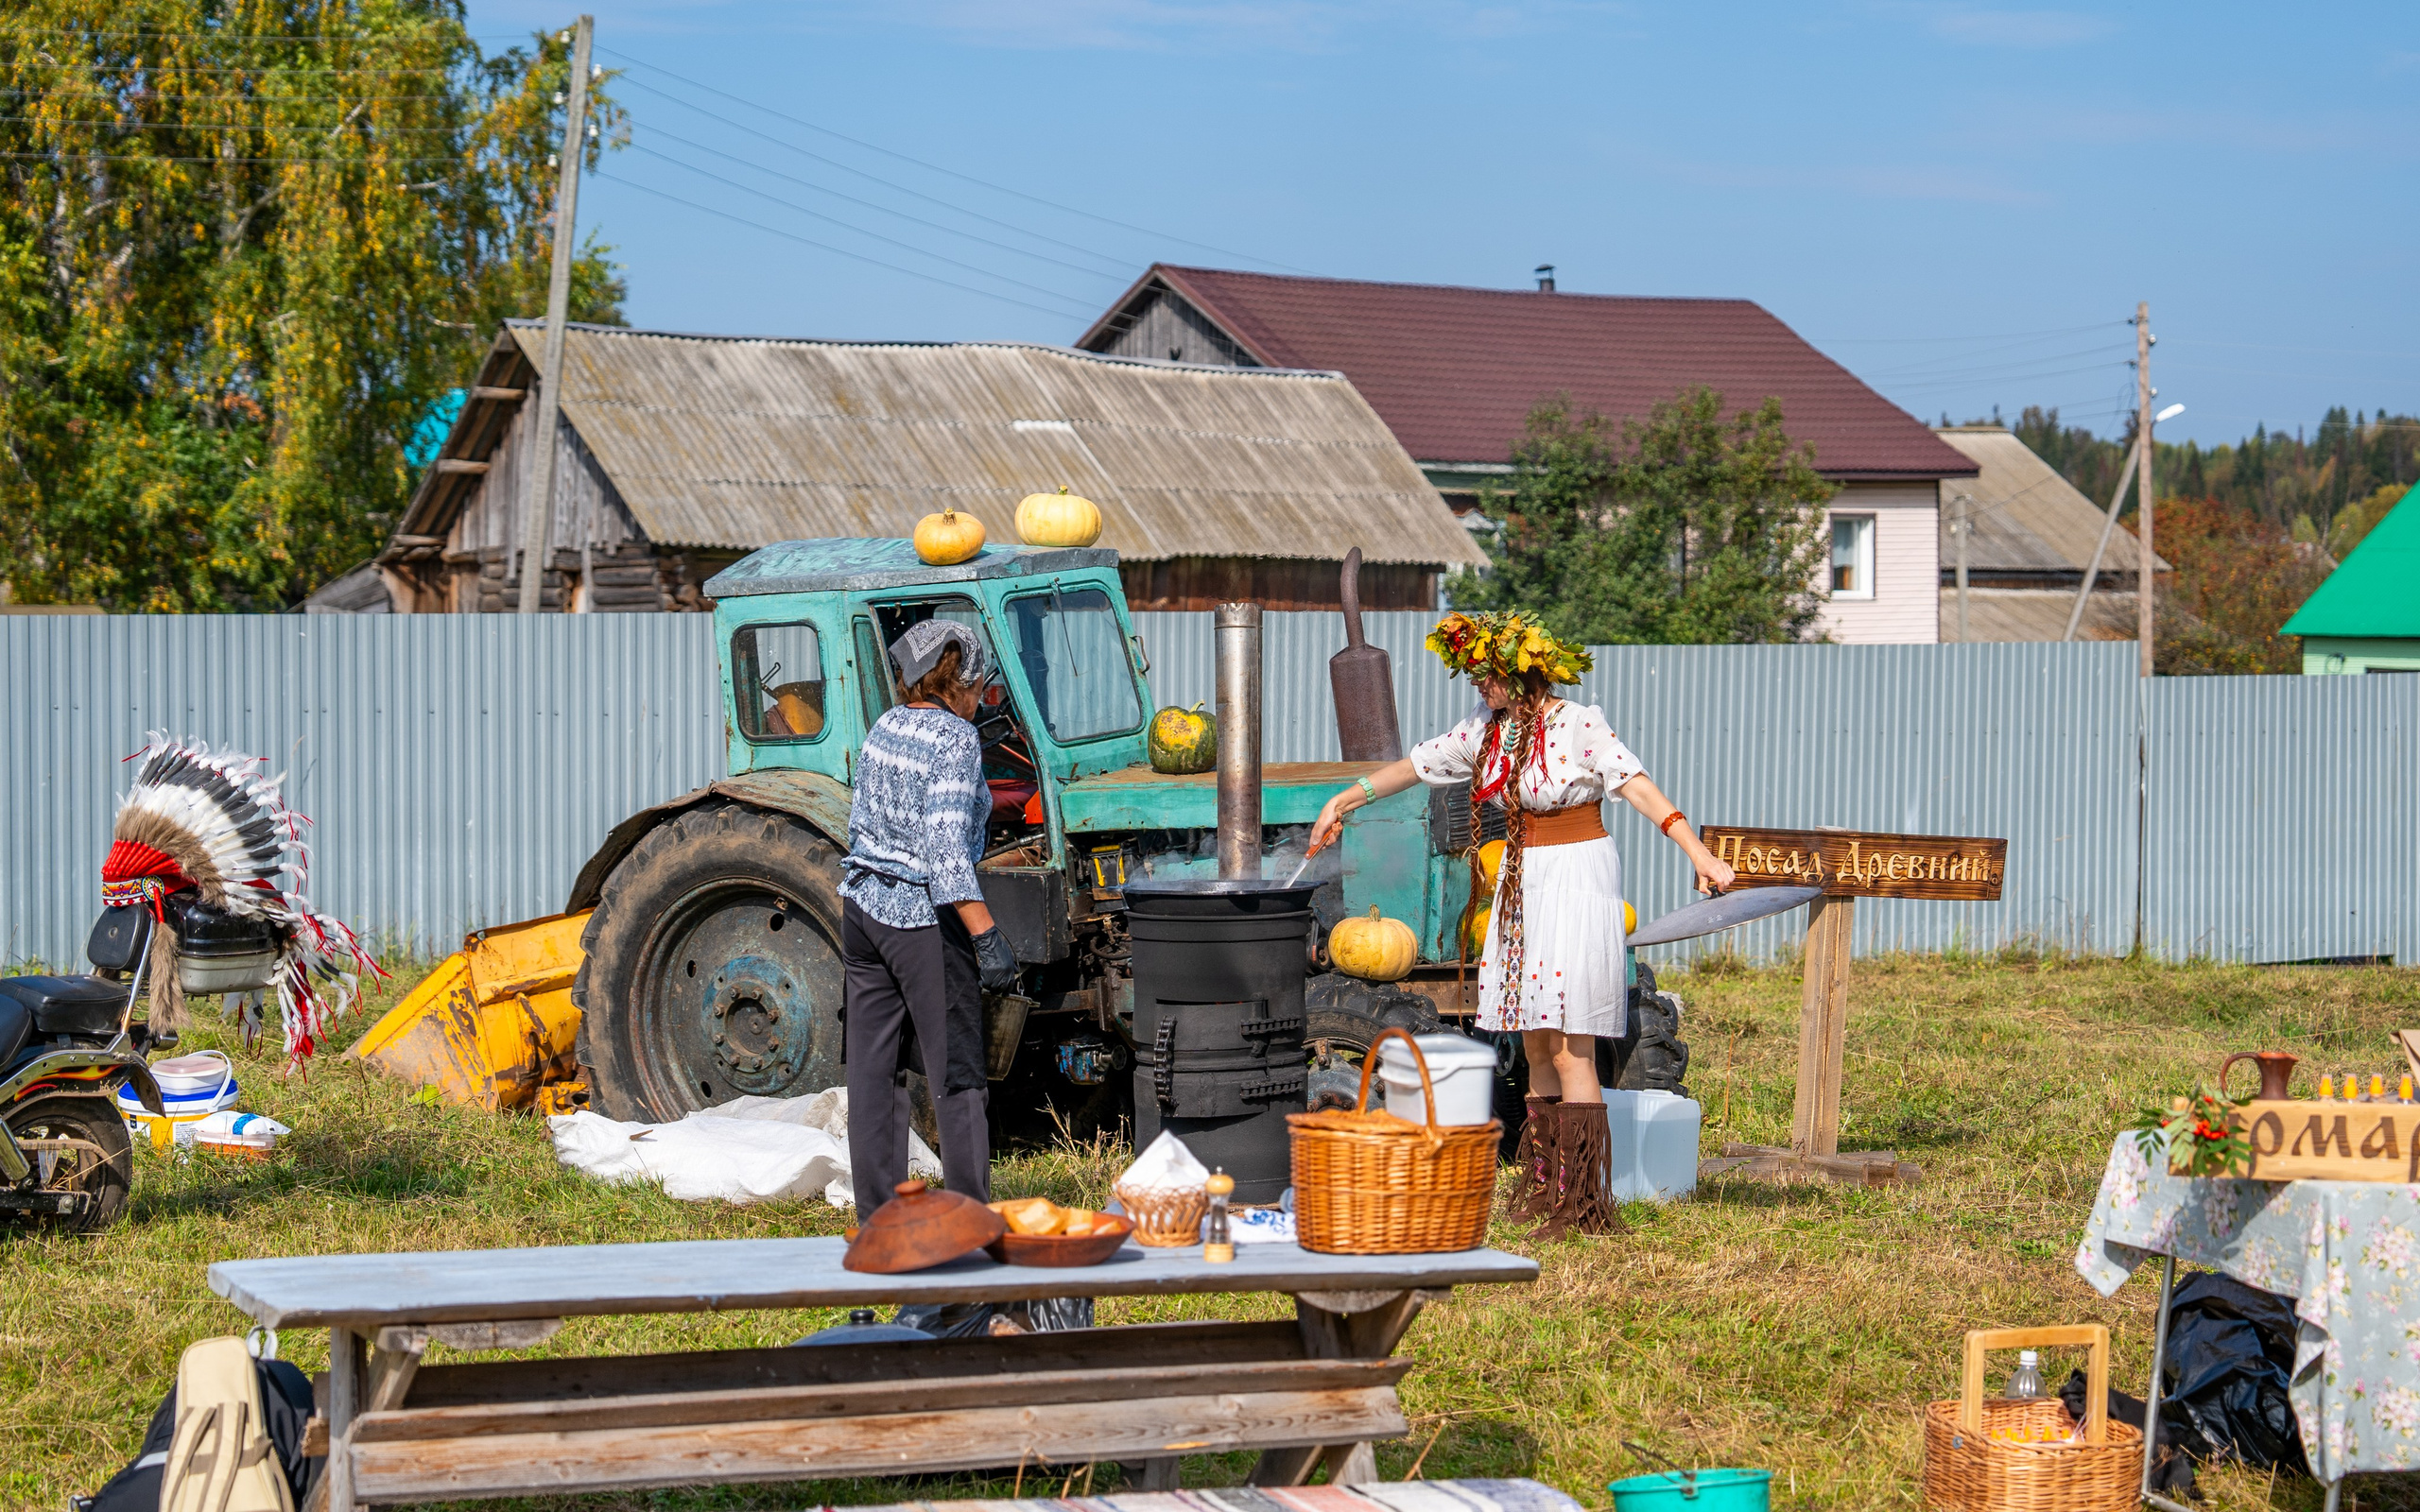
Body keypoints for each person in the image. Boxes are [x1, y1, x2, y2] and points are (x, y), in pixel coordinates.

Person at [1310, 610, 1736, 1235]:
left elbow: (1638, 786)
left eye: (1488, 674)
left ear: (1523, 673)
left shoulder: (1577, 726)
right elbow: (1415, 766)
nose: (1478, 684)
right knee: (1535, 1042)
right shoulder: (1484, 730)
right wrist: (1343, 799)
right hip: (1521, 879)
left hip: (1574, 876)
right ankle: (1544, 1185)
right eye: (1474, 674)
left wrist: (1697, 852)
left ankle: (1584, 1198)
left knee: (1571, 1049)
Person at [840, 619, 1022, 1216]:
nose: (982, 696)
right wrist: (988, 935)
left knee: (874, 1071)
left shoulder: (884, 726)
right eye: (980, 684)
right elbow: (945, 853)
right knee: (958, 1072)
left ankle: (879, 1218)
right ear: (961, 681)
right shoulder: (956, 741)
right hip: (921, 920)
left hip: (863, 909)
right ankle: (969, 1214)